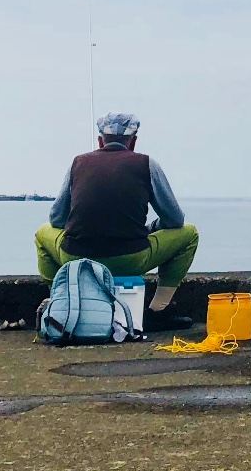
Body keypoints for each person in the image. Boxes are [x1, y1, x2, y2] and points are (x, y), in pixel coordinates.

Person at [35, 113, 200, 329]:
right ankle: (158, 310)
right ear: (133, 142)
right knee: (190, 234)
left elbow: (56, 219)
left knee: (42, 233)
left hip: (76, 257)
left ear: (100, 140)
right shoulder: (147, 164)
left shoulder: (78, 163)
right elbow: (175, 220)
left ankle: (62, 303)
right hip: (130, 260)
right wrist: (152, 228)